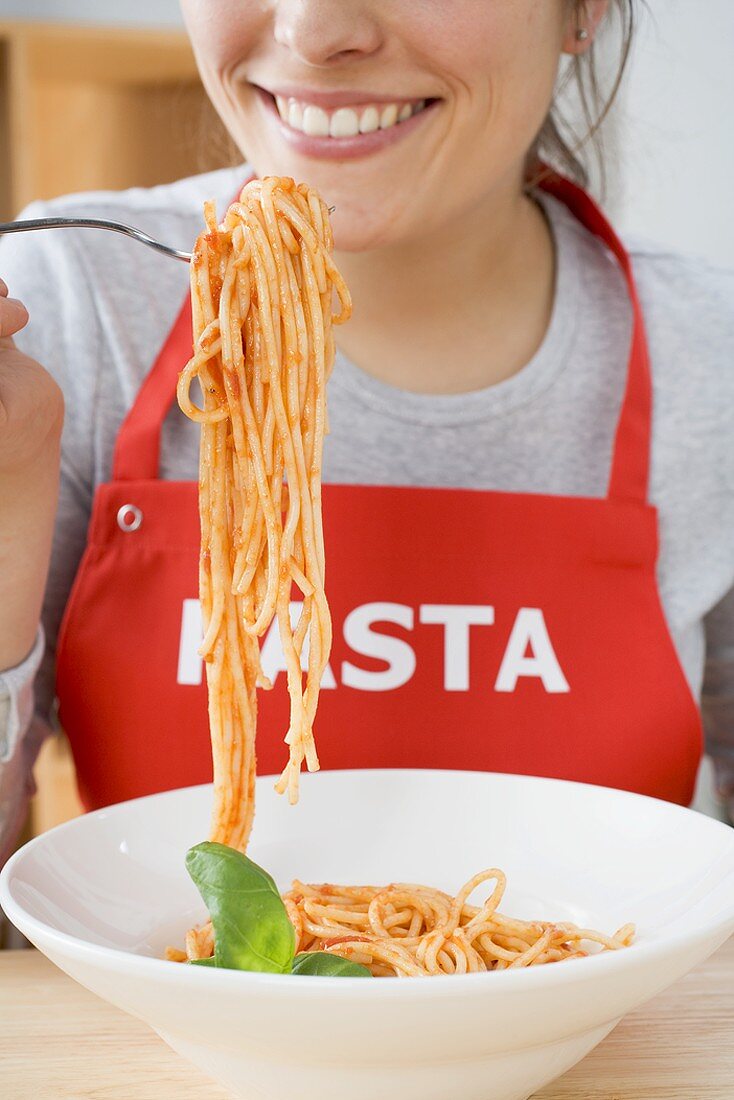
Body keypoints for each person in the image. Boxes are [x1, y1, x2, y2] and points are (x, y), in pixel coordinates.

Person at [1, 0, 732, 864]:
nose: (313, 29)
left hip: (615, 1004)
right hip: (176, 995)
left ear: (583, 11)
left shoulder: (710, 353)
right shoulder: (70, 304)